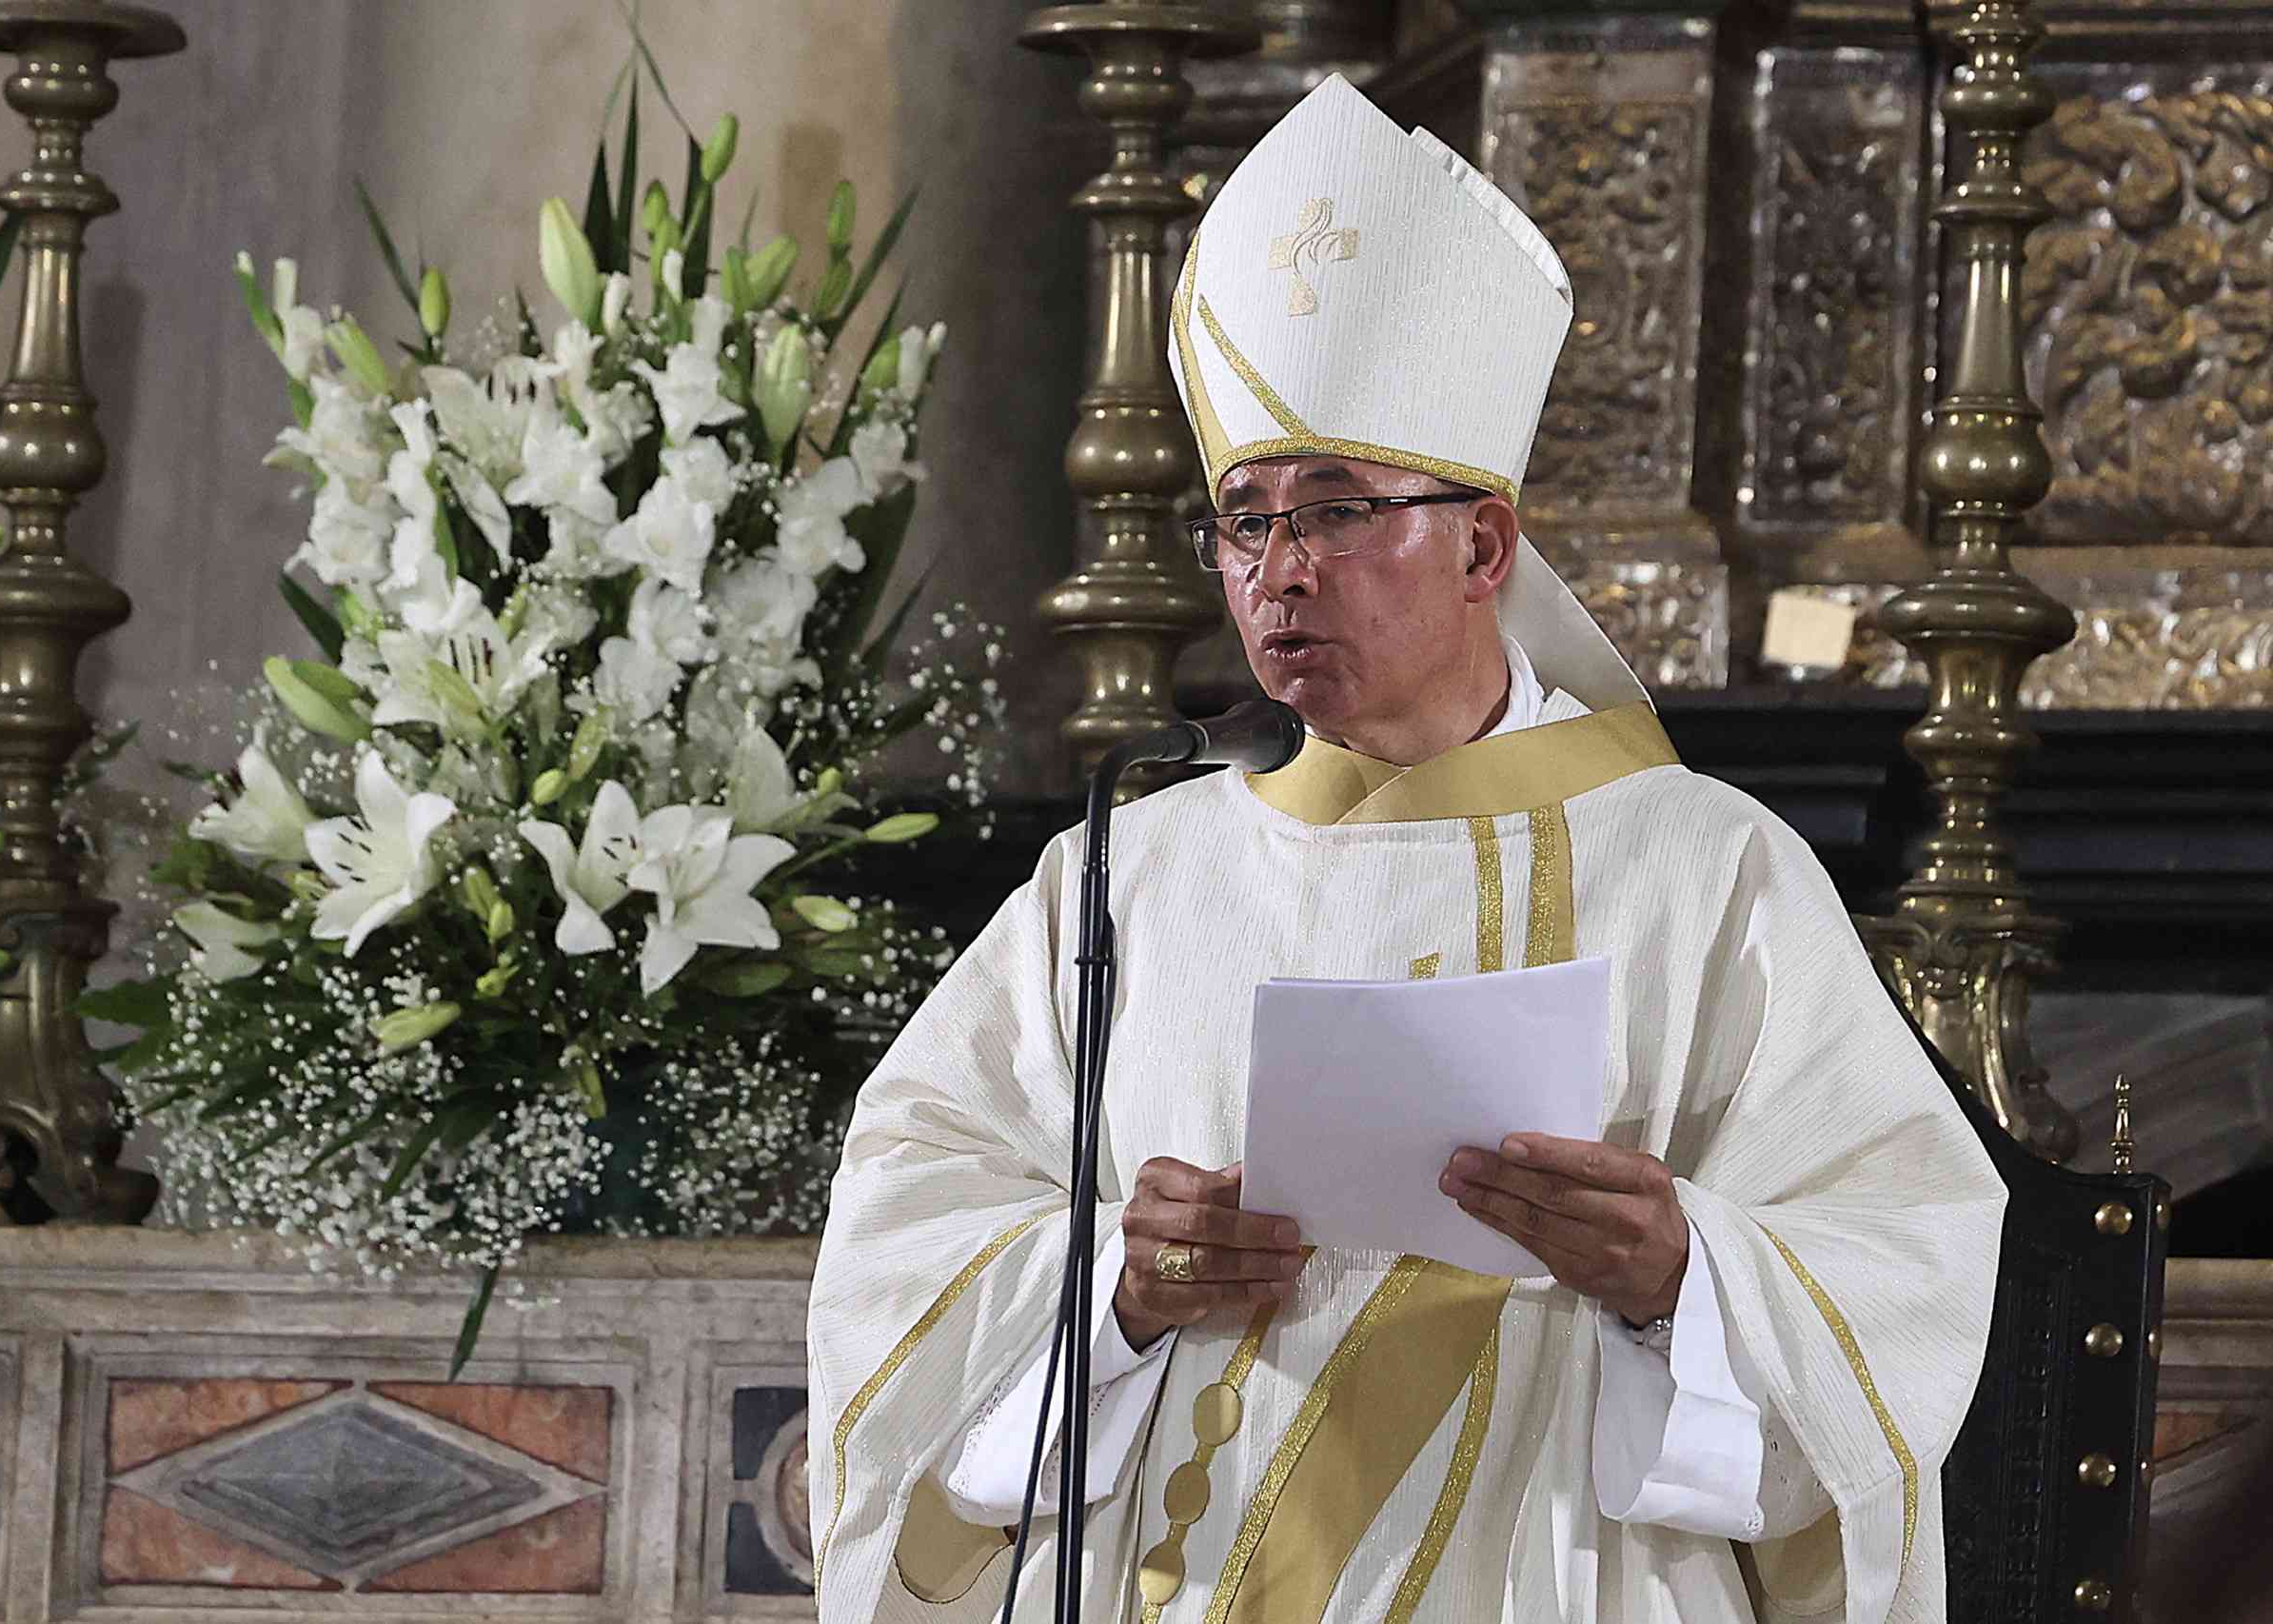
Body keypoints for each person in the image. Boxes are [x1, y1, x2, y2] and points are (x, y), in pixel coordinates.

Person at [808, 73, 2002, 1624]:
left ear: (1483, 544)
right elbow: (903, 1234)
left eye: (1337, 510)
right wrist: (1116, 1281)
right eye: (1244, 518)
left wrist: (1684, 1274)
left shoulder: (1708, 870)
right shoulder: (1118, 881)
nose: (1279, 569)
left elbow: (1903, 1267)